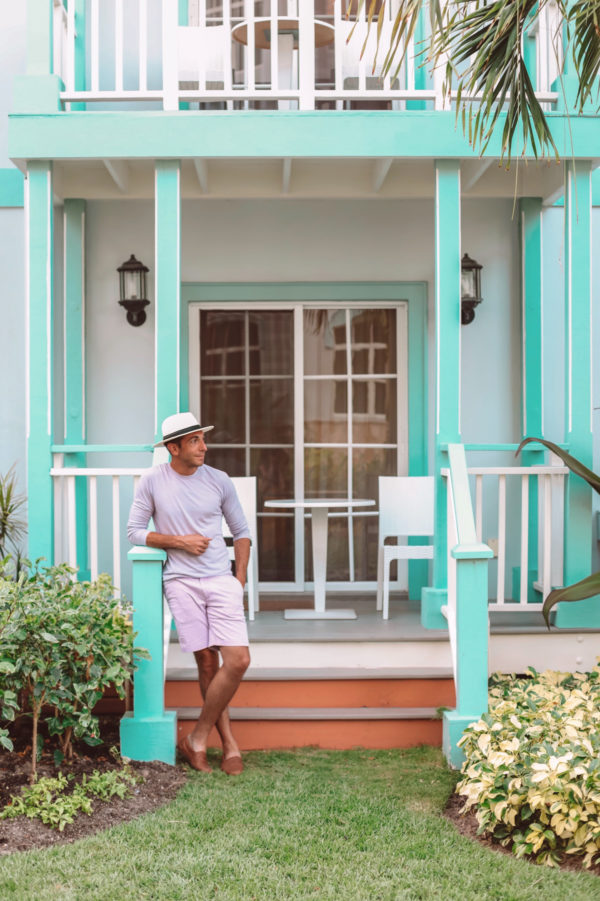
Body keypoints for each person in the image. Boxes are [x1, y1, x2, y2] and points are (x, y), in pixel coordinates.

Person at [127, 412, 251, 775]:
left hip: (220, 579)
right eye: (195, 440)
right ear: (173, 447)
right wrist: (177, 541)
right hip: (180, 582)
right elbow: (135, 531)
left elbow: (241, 532)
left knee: (238, 660)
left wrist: (237, 581)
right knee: (207, 663)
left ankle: (196, 737)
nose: (204, 446)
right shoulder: (152, 481)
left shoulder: (219, 481)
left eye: (202, 438)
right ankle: (228, 743)